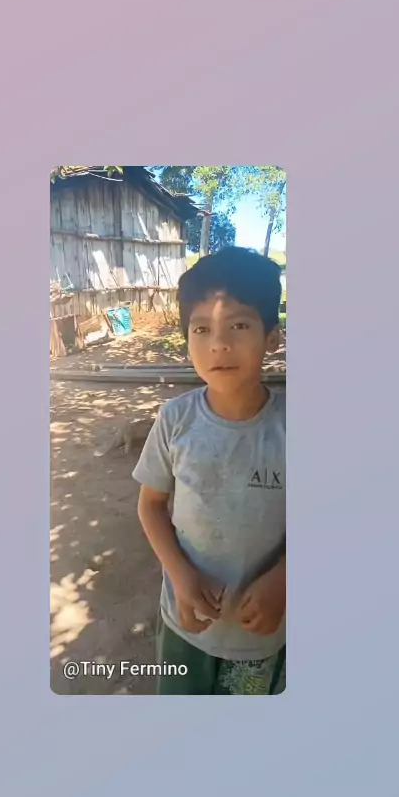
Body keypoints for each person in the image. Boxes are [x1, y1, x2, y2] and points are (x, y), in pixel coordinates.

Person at [132, 247, 286, 695]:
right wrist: (180, 576)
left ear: (272, 337)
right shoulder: (175, 420)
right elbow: (151, 506)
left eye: (239, 325)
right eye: (201, 329)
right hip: (186, 621)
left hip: (260, 635)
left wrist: (286, 579)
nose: (219, 344)